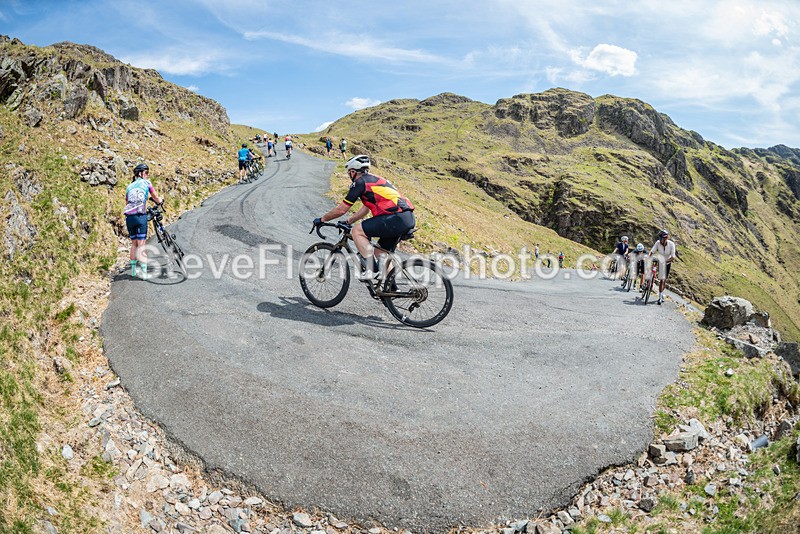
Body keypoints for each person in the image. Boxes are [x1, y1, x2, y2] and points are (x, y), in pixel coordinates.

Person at [313, 155, 415, 280]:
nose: (349, 175)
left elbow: (342, 209)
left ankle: (372, 270)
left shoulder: (360, 183)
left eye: (349, 172)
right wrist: (349, 221)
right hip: (407, 217)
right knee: (380, 253)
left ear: (353, 171)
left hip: (396, 217)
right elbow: (366, 208)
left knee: (357, 231)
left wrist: (322, 220)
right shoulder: (375, 180)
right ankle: (391, 288)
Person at [124, 163, 163, 279]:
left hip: (129, 217)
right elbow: (155, 197)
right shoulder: (147, 183)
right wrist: (160, 200)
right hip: (140, 216)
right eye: (146, 172)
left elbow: (127, 203)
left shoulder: (129, 187)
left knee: (133, 244)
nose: (147, 175)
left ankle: (132, 271)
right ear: (140, 173)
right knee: (141, 245)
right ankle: (144, 273)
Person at [649, 230, 676, 305]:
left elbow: (673, 257)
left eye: (662, 238)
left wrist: (666, 261)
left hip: (667, 263)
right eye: (660, 238)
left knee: (663, 280)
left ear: (666, 238)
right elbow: (652, 251)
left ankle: (661, 295)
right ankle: (648, 282)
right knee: (661, 279)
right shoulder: (657, 243)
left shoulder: (671, 244)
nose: (661, 240)